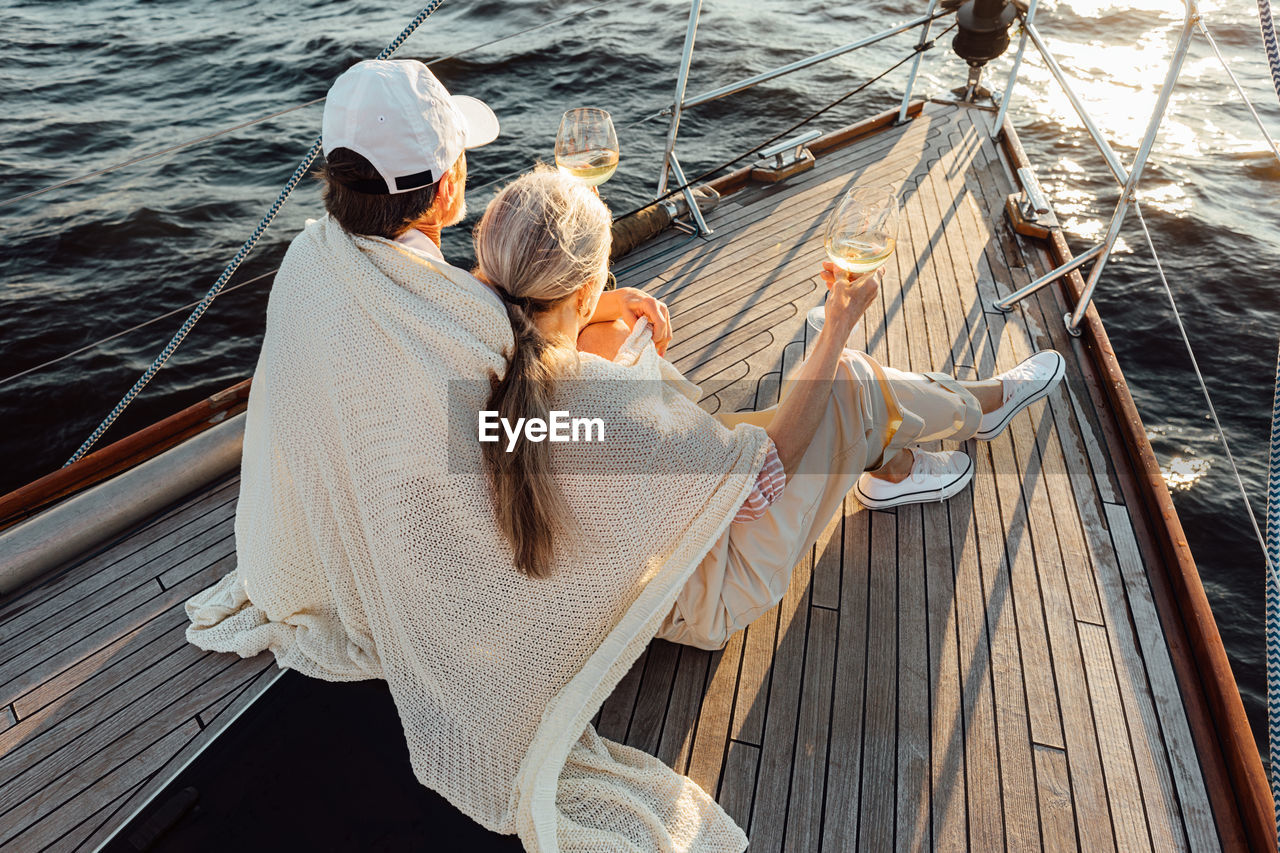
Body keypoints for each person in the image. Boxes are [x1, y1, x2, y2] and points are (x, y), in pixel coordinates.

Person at [473, 167, 1066, 649]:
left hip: (611, 558)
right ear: (579, 289)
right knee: (848, 380)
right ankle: (978, 410)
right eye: (601, 280)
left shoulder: (462, 329)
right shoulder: (620, 420)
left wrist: (607, 304)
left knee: (842, 399)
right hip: (693, 593)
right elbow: (764, 476)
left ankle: (892, 460)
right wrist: (837, 324)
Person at [317, 58, 674, 353]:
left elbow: (507, 311)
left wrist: (613, 300)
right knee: (611, 341)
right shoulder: (458, 315)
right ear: (447, 188)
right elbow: (525, 331)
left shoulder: (311, 250)